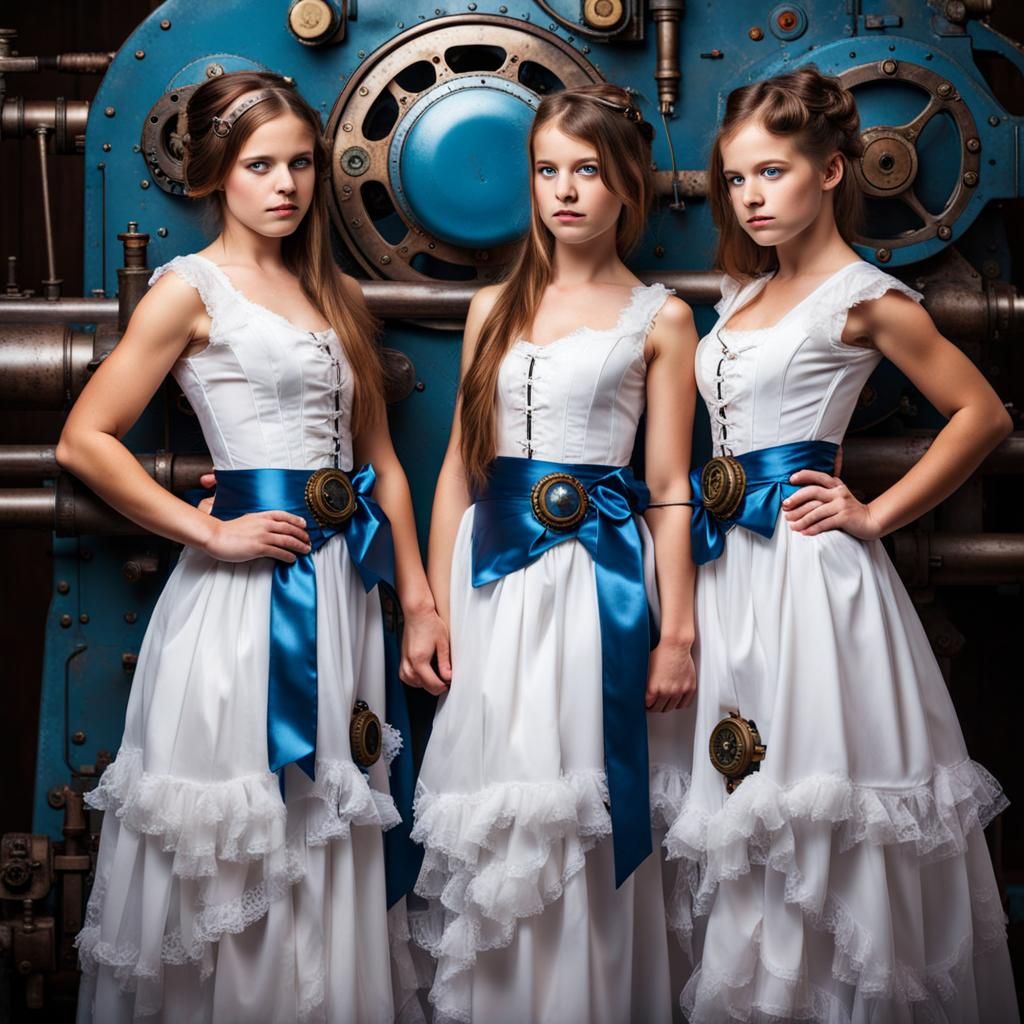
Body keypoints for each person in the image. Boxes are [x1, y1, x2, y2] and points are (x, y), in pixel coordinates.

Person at [57, 70, 447, 1023]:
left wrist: (421, 600)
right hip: (243, 600)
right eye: (258, 165)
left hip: (345, 599)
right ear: (212, 178)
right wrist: (210, 529)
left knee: (329, 821)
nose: (286, 185)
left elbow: (383, 468)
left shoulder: (335, 293)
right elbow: (84, 438)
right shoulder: (188, 290)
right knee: (244, 829)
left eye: (301, 164)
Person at [665, 65, 1019, 1023]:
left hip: (811, 578)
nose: (751, 198)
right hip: (730, 568)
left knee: (822, 803)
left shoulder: (865, 297)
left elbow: (980, 416)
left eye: (772, 174)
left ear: (830, 170)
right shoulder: (739, 296)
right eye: (736, 180)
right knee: (750, 802)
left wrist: (874, 512)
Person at [411, 83, 699, 1024]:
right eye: (547, 170)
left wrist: (677, 634)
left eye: (588, 171)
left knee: (580, 801)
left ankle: (589, 1000)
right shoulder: (493, 304)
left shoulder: (661, 319)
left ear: (627, 189)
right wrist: (434, 609)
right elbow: (458, 467)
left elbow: (665, 486)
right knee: (501, 800)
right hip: (490, 579)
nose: (565, 190)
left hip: (593, 585)